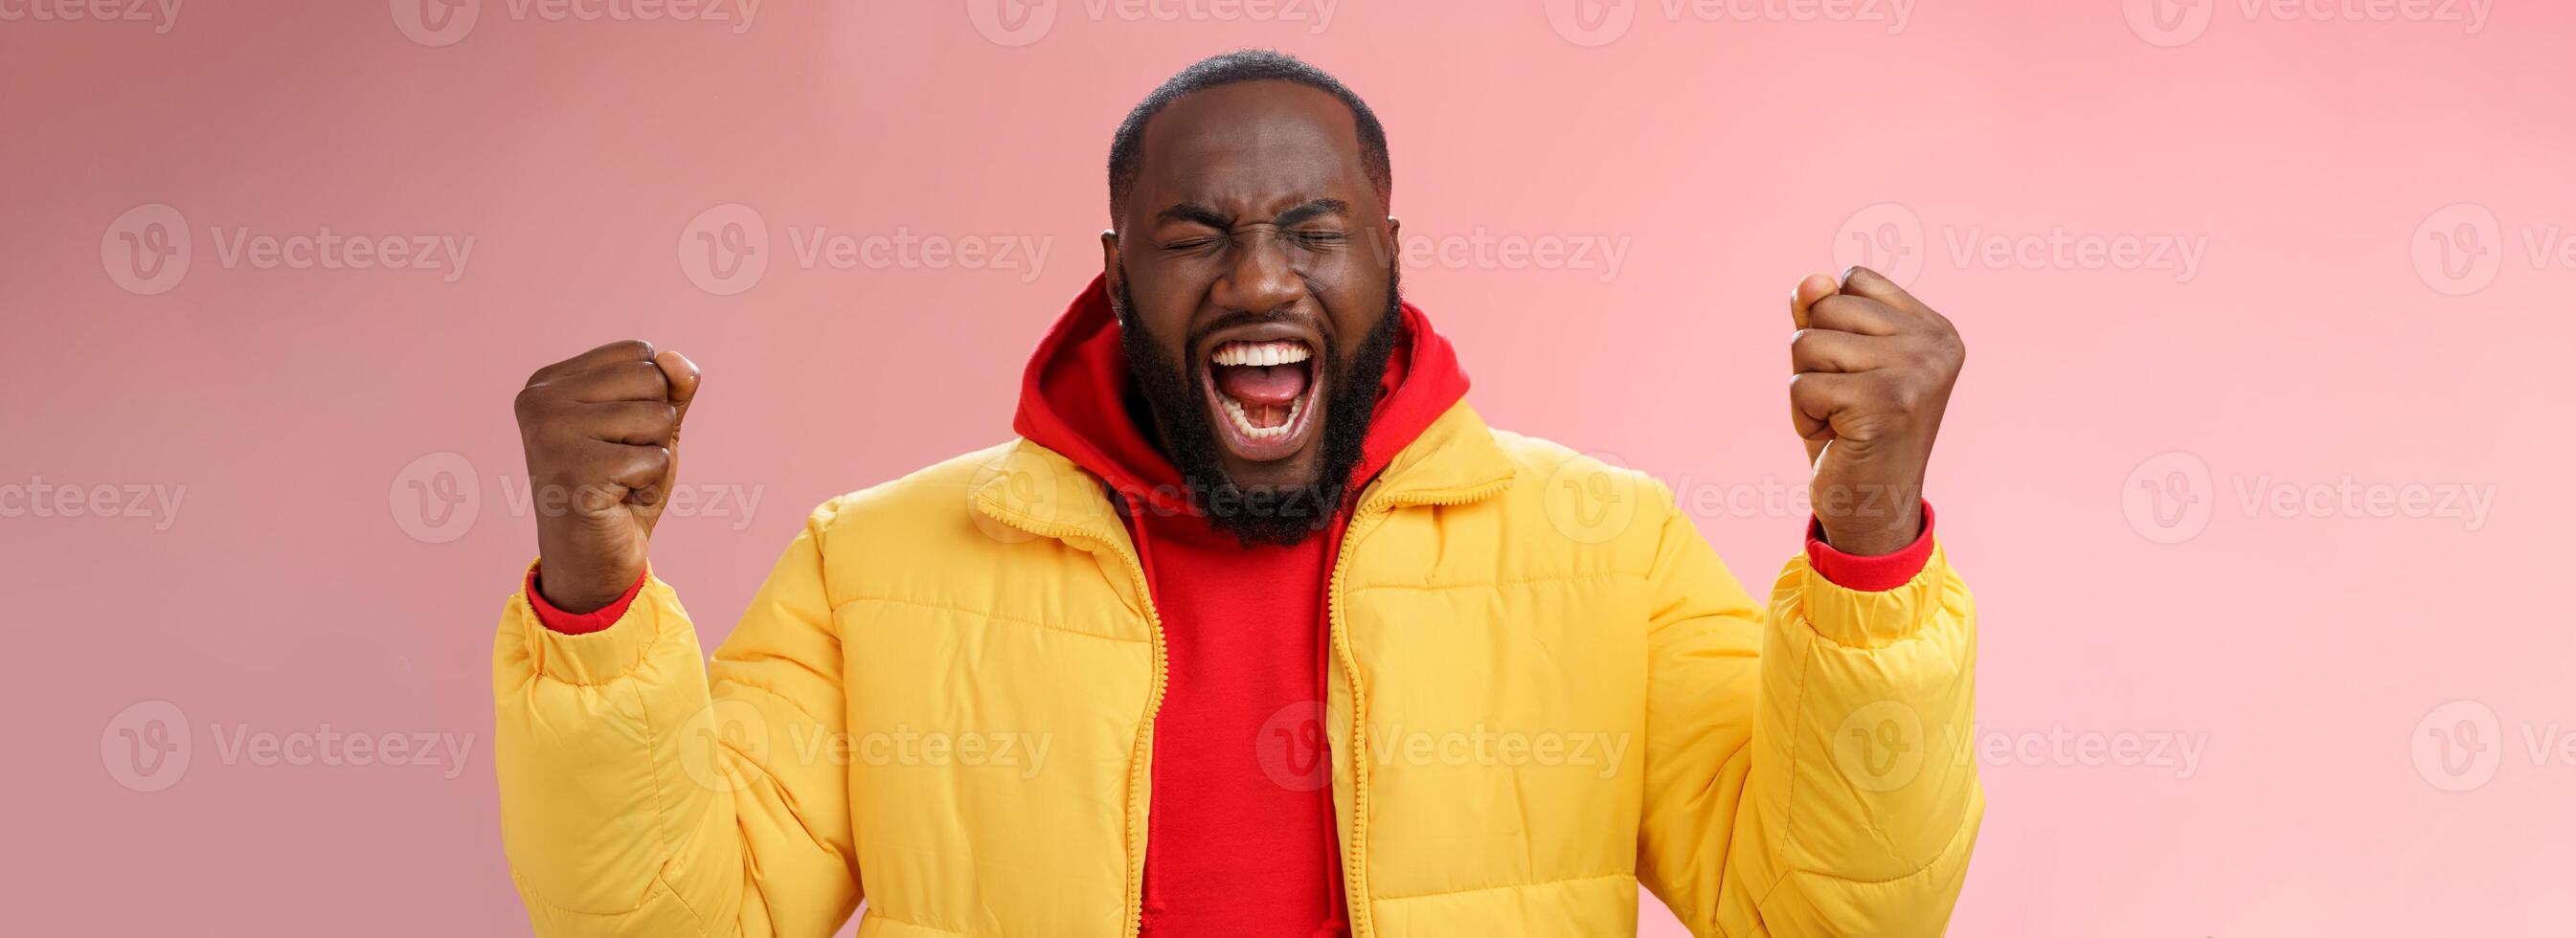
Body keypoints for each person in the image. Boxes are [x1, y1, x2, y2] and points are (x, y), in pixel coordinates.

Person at [494, 50, 1978, 938]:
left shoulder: (1609, 548)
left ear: (1389, 255)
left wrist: (1866, 544)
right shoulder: (870, 565)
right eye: (1195, 234)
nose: (1260, 278)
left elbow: (1827, 910)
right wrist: (590, 595)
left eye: (1313, 230)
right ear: (1115, 270)